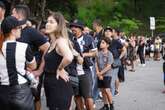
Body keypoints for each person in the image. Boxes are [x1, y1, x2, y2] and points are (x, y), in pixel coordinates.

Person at [11, 4, 50, 110]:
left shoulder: (32, 32)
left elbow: (48, 48)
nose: (10, 16)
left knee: (35, 99)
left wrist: (40, 70)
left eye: (12, 13)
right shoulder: (12, 31)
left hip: (31, 74)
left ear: (19, 16)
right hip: (15, 74)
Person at [0, 16, 37, 110]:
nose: (21, 30)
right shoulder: (24, 47)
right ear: (13, 30)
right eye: (19, 28)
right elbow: (33, 66)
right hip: (21, 93)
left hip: (2, 93)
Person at [43, 12, 74, 110]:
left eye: (51, 22)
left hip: (59, 85)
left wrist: (60, 68)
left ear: (58, 25)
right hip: (51, 84)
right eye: (47, 21)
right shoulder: (52, 42)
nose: (47, 24)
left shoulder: (60, 41)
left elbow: (69, 57)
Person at [70, 19, 96, 110]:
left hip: (85, 70)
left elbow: (95, 53)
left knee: (88, 97)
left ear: (81, 28)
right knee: (77, 96)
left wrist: (84, 55)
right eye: (72, 26)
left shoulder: (88, 38)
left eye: (75, 27)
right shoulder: (69, 38)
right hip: (72, 71)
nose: (73, 28)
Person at [96, 37, 114, 110]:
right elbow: (96, 63)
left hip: (107, 75)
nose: (101, 44)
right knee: (102, 91)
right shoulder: (98, 53)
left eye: (103, 43)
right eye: (101, 42)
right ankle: (105, 105)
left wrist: (100, 73)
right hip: (99, 74)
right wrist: (97, 72)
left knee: (107, 90)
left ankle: (111, 105)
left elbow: (109, 66)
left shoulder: (110, 54)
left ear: (107, 45)